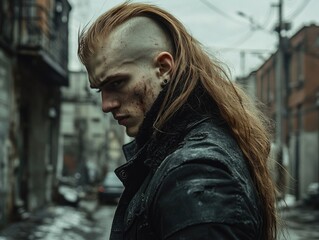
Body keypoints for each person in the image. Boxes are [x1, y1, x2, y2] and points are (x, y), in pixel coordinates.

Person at [78, 2, 277, 240]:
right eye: (100, 89)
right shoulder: (178, 155)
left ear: (163, 68)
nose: (106, 105)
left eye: (117, 83)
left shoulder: (195, 174)